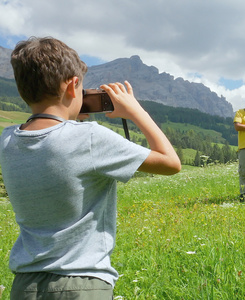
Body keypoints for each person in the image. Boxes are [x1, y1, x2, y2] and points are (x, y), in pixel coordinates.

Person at [0, 37, 181, 299]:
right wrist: (135, 111)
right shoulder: (89, 138)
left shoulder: (7, 139)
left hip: (25, 285)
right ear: (73, 86)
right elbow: (171, 163)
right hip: (81, 284)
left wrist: (68, 116)